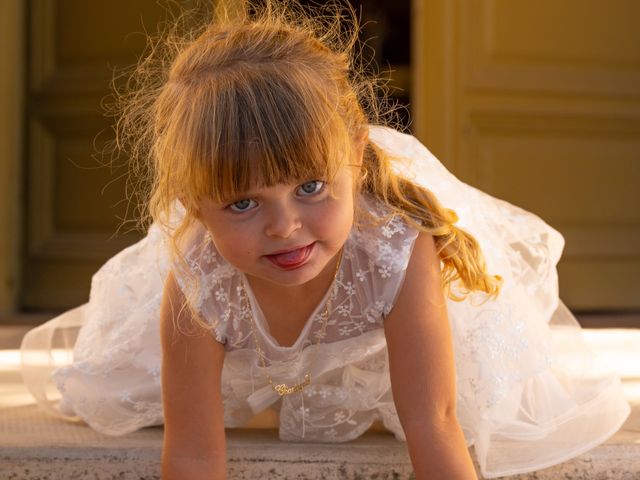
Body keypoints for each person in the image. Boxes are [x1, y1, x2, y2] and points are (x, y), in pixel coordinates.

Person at [20, 1, 631, 479]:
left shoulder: (395, 251)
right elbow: (194, 456)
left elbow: (433, 420)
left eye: (310, 186)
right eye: (241, 202)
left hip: (381, 360)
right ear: (194, 206)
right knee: (120, 392)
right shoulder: (199, 279)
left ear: (357, 157)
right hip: (241, 347)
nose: (284, 226)